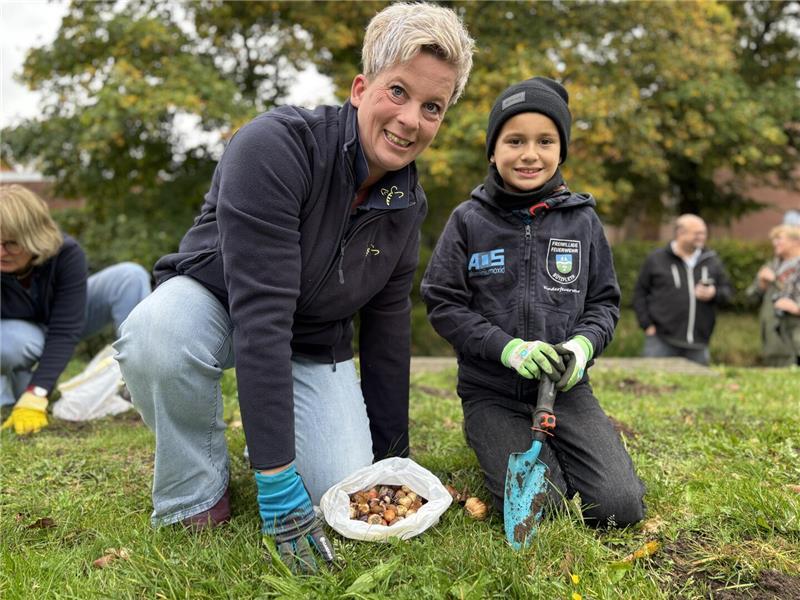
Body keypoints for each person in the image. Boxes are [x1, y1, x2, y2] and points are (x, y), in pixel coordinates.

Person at [114, 2, 475, 573]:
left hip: (313, 338)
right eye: (398, 92)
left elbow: (386, 333)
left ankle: (278, 444)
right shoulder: (276, 147)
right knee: (156, 335)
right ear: (361, 87)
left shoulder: (408, 204)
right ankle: (196, 491)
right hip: (220, 302)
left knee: (339, 488)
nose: (411, 120)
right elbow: (262, 316)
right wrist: (277, 480)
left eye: (433, 107)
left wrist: (391, 462)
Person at [420, 77, 645, 528]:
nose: (529, 154)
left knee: (620, 507)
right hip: (491, 392)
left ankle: (562, 441)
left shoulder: (582, 220)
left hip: (565, 391)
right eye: (514, 140)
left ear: (561, 151)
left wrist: (582, 348)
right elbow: (443, 303)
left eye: (545, 141)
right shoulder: (468, 219)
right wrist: (507, 348)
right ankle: (490, 434)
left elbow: (604, 303)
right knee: (543, 512)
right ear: (492, 150)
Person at [0, 184, 151, 433]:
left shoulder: (66, 253)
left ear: (34, 237)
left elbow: (64, 331)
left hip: (64, 318)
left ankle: (140, 380)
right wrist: (34, 393)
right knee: (7, 343)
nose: (2, 252)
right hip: (18, 333)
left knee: (130, 277)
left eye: (11, 244)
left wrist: (38, 390)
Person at [632, 214, 732, 365]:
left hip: (698, 343)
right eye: (697, 233)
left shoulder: (712, 260)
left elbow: (728, 292)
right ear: (680, 233)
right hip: (661, 340)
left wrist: (714, 293)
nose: (702, 237)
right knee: (654, 386)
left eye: (704, 233)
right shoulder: (656, 259)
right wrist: (647, 325)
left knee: (699, 387)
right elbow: (640, 293)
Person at [746, 224, 800, 366]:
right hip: (773, 339)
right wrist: (762, 285)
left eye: (779, 239)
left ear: (796, 241)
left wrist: (797, 308)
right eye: (773, 239)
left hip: (796, 338)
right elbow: (750, 299)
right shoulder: (771, 266)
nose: (774, 243)